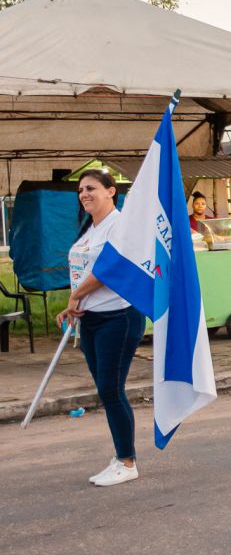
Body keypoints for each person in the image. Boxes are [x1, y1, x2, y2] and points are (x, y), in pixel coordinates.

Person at [56, 169, 148, 487]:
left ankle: (127, 461)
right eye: (80, 190)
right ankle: (121, 454)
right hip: (92, 320)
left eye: (91, 188)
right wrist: (75, 305)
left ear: (111, 191)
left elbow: (110, 269)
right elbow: (84, 271)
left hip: (118, 318)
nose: (84, 194)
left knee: (111, 390)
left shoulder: (119, 226)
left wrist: (75, 296)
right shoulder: (91, 229)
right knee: (106, 391)